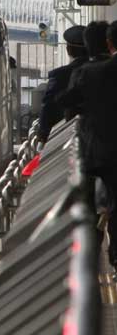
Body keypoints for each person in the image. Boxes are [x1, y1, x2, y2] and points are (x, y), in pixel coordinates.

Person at [60, 21, 117, 266]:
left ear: (109, 42)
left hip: (102, 152)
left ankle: (104, 254)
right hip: (105, 152)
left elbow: (66, 101)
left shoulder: (91, 73)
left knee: (101, 202)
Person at [37, 25, 88, 143]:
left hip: (63, 139)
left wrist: (42, 134)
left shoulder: (60, 75)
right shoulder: (106, 70)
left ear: (68, 50)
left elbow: (48, 106)